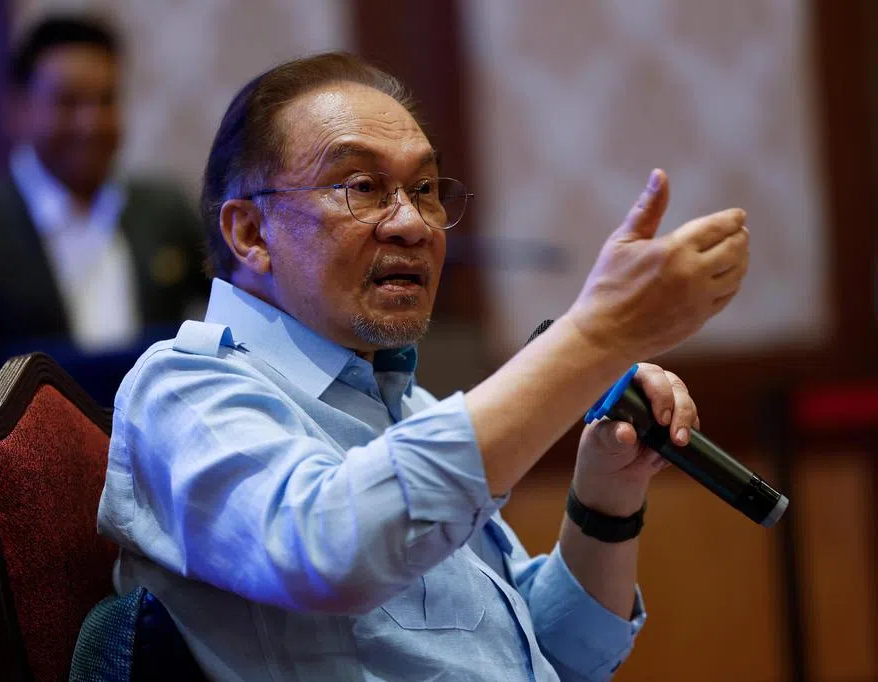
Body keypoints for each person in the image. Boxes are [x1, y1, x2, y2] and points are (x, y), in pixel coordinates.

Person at [96, 53, 749, 681]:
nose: (412, 223)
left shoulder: (412, 409)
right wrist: (593, 338)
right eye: (362, 187)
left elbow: (552, 656)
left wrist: (607, 495)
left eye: (426, 189)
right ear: (251, 234)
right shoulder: (183, 390)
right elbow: (328, 550)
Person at [0, 14, 211, 416]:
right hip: (37, 450)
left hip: (162, 438)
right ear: (17, 109)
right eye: (67, 102)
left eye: (105, 100)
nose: (91, 123)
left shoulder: (164, 211)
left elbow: (231, 304)